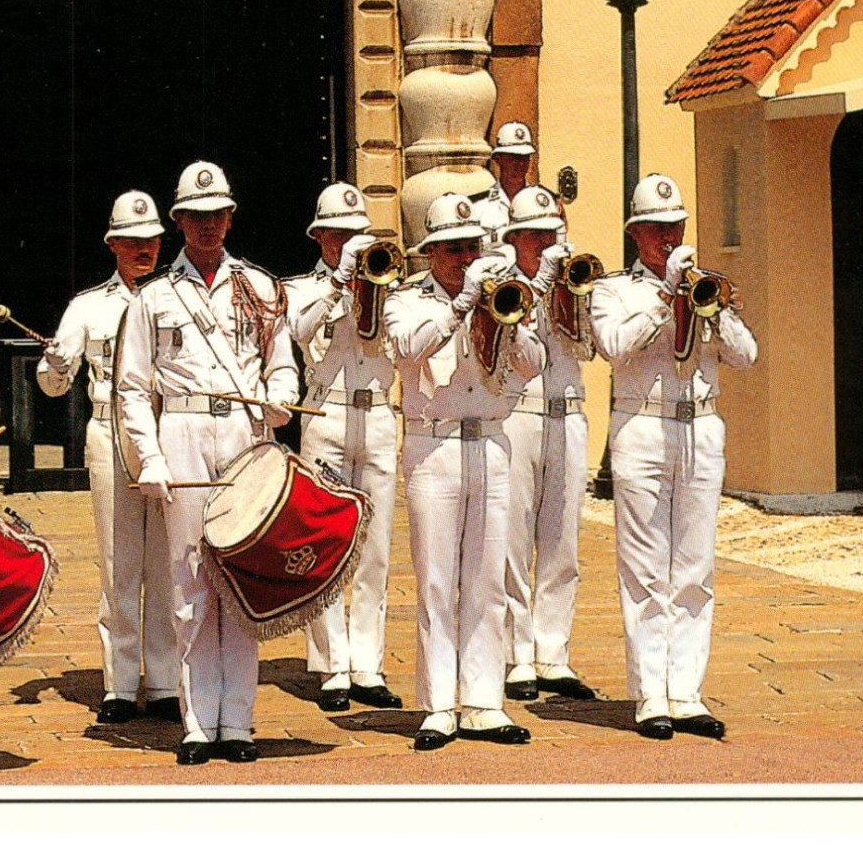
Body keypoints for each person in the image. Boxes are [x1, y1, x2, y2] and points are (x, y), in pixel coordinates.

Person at [115, 160, 299, 765]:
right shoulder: (153, 298)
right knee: (189, 579)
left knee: (240, 578)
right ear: (179, 223)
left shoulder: (264, 288)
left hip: (244, 433)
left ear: (230, 217)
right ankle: (198, 722)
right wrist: (150, 457)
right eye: (195, 216)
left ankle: (239, 721)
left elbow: (280, 361)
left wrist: (281, 398)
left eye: (216, 214)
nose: (207, 225)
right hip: (184, 430)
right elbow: (134, 388)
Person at [589, 173, 756, 741]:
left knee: (695, 568)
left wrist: (715, 308)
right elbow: (613, 346)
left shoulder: (704, 287)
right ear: (636, 235)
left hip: (701, 426)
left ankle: (686, 691)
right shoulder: (616, 291)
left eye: (675, 227)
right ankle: (649, 693)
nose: (667, 237)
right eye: (656, 229)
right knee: (643, 567)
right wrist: (665, 297)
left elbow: (746, 355)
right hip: (642, 425)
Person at [382, 193, 544, 750]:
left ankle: (483, 700)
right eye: (452, 249)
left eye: (471, 247)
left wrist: (507, 319)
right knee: (435, 579)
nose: (464, 258)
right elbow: (405, 348)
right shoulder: (408, 301)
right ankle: (437, 704)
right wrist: (459, 308)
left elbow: (535, 363)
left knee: (486, 579)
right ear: (431, 254)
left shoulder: (497, 300)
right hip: (435, 446)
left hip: (491, 442)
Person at [37, 191, 181, 725]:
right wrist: (53, 363)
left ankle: (165, 681)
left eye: (150, 241)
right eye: (132, 241)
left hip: (169, 433)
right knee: (121, 562)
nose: (142, 250)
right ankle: (120, 683)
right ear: (113, 245)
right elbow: (53, 386)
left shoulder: (177, 298)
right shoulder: (89, 306)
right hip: (109, 432)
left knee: (166, 563)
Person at [283, 182, 403, 714]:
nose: (353, 245)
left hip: (377, 410)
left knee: (374, 547)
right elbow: (298, 330)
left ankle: (368, 663)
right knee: (327, 540)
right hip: (326, 410)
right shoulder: (301, 288)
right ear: (322, 237)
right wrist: (337, 284)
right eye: (342, 236)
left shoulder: (389, 285)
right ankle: (332, 665)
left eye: (360, 236)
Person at [497, 186, 597, 703]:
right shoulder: (501, 282)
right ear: (514, 239)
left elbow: (589, 347)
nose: (545, 244)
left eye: (551, 234)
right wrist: (536, 285)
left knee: (562, 543)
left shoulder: (571, 278)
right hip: (518, 414)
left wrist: (573, 296)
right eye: (534, 235)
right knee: (513, 541)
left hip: (568, 412)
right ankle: (516, 655)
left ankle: (553, 652)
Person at [471, 120, 536, 240]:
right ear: (498, 159)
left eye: (525, 157)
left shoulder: (542, 205)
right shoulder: (478, 207)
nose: (520, 163)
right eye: (513, 157)